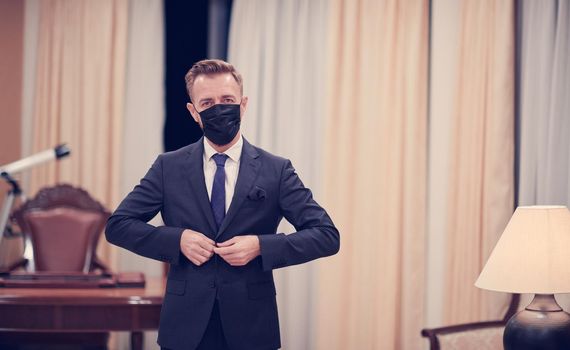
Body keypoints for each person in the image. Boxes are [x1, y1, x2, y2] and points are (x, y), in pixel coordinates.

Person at [105, 59, 340, 350]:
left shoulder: (276, 170)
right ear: (194, 112)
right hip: (184, 328)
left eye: (227, 100)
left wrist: (261, 246)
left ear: (243, 104)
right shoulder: (168, 167)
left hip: (252, 327)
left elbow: (326, 235)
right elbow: (118, 226)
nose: (219, 108)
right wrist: (177, 240)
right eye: (208, 102)